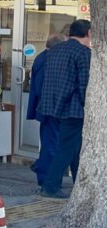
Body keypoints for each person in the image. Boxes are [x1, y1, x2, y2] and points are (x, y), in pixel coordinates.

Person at [37, 20, 91, 199]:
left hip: (52, 105)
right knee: (66, 148)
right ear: (89, 33)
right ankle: (50, 186)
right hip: (73, 108)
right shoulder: (84, 53)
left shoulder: (56, 49)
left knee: (74, 147)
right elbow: (84, 85)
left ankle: (78, 183)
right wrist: (90, 108)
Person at [27, 34, 67, 188]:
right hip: (50, 109)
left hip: (48, 108)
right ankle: (45, 178)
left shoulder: (42, 57)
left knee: (50, 143)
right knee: (50, 144)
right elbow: (40, 87)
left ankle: (43, 171)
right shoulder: (47, 60)